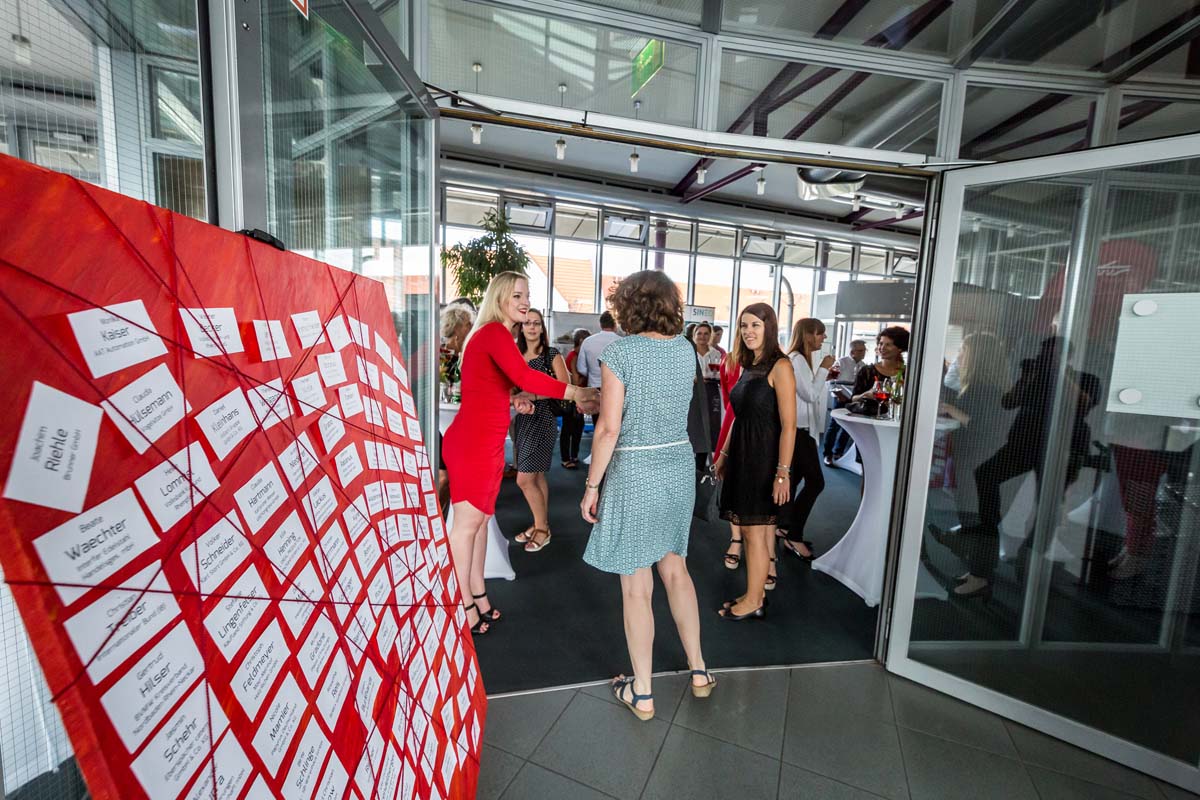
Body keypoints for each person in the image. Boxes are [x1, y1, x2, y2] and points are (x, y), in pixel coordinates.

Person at [581, 270, 716, 721]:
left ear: (629, 305)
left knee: (637, 587)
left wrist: (592, 485)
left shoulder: (620, 353)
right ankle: (699, 671)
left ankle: (642, 692)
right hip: (677, 464)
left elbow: (609, 428)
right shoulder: (685, 349)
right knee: (676, 571)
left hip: (635, 469)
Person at [442, 272, 599, 635]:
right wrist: (575, 393)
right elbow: (526, 377)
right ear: (499, 297)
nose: (525, 301)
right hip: (473, 444)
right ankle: (461, 605)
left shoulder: (496, 335)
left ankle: (478, 595)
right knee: (466, 527)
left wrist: (514, 400)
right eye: (517, 295)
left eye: (527, 294)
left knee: (480, 523)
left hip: (484, 443)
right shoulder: (494, 333)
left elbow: (492, 388)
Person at [949, 336, 1098, 599]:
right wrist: (1029, 377)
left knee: (1048, 507)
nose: (1046, 358)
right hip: (1024, 444)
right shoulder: (1036, 376)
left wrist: (1060, 374)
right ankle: (982, 566)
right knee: (985, 479)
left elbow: (1084, 406)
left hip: (1063, 448)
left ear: (1067, 357)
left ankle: (1027, 559)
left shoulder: (1085, 379)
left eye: (1052, 354)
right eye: (1044, 352)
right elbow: (1009, 402)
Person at [714, 303, 796, 619]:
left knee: (756, 533)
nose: (748, 331)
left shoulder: (780, 366)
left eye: (755, 325)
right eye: (744, 326)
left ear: (769, 328)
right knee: (751, 532)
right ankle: (755, 594)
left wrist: (783, 473)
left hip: (763, 459)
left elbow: (789, 425)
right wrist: (724, 454)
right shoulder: (751, 364)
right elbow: (740, 416)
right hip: (743, 455)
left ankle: (754, 600)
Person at [511, 309, 569, 553]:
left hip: (543, 418)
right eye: (527, 323)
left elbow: (565, 388)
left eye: (536, 323)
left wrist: (531, 395)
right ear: (521, 327)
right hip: (520, 420)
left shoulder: (551, 354)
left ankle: (542, 529)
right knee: (536, 477)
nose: (532, 327)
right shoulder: (514, 355)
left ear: (542, 328)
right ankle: (539, 524)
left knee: (524, 479)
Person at [777, 319, 834, 562]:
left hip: (802, 430)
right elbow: (810, 394)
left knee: (796, 480)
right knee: (816, 483)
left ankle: (784, 525)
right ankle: (794, 535)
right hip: (798, 431)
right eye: (820, 334)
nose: (823, 338)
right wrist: (824, 369)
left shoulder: (800, 359)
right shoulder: (797, 359)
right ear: (809, 335)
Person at [437, 303, 474, 513]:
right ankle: (434, 520)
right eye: (468, 324)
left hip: (458, 420)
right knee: (444, 477)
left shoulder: (464, 354)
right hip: (441, 420)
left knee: (452, 477)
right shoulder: (442, 354)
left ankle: (443, 518)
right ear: (457, 327)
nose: (471, 328)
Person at [577, 311, 621, 463]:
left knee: (598, 426)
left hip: (595, 388)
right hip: (616, 389)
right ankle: (613, 458)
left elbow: (581, 368)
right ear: (615, 324)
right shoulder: (621, 342)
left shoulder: (588, 342)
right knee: (615, 425)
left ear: (600, 324)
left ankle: (596, 456)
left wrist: (594, 374)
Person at [824, 339, 867, 465]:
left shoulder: (863, 366)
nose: (863, 353)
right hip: (840, 398)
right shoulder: (841, 362)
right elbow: (831, 381)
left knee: (848, 427)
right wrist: (839, 395)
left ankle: (838, 452)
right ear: (852, 352)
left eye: (864, 350)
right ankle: (827, 454)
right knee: (834, 426)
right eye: (861, 350)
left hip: (854, 401)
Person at [693, 322, 723, 470]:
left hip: (711, 391)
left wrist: (716, 376)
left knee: (708, 427)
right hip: (693, 392)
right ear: (694, 335)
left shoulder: (716, 354)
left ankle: (700, 466)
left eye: (706, 334)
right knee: (694, 426)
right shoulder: (689, 352)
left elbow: (718, 373)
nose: (702, 337)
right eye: (699, 333)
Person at [852, 327, 909, 403]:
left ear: (900, 348)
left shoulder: (907, 373)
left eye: (888, 345)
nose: (882, 348)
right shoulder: (867, 371)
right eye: (881, 343)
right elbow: (853, 399)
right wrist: (864, 395)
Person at [559, 328, 589, 469]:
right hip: (572, 397)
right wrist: (589, 375)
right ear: (581, 341)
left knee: (577, 427)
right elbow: (576, 381)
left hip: (575, 397)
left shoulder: (577, 356)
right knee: (569, 428)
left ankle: (573, 456)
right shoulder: (574, 356)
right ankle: (566, 458)